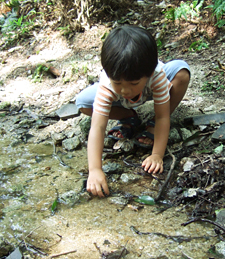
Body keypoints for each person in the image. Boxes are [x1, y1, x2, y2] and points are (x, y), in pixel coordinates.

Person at [76, 25, 190, 198]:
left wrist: (157, 155)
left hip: (150, 89)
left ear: (149, 74)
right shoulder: (108, 85)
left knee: (182, 71)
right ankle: (129, 117)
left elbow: (163, 117)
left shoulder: (156, 75)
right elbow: (97, 128)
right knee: (83, 103)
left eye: (133, 84)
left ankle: (149, 124)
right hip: (121, 96)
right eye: (118, 83)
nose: (125, 90)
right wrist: (95, 169)